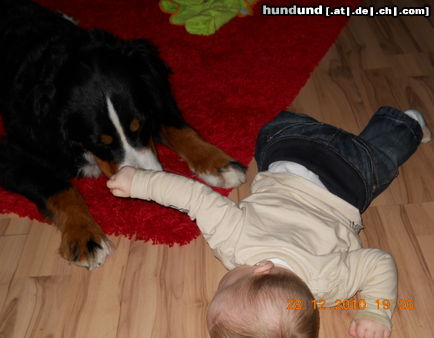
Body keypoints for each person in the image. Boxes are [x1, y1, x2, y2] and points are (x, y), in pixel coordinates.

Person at [107, 106, 431, 338]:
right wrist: (139, 181)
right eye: (227, 283)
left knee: (385, 154)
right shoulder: (234, 241)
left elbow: (378, 262)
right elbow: (193, 196)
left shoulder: (330, 286)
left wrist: (375, 310)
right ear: (261, 267)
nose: (223, 276)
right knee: (273, 131)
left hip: (353, 175)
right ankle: (296, 118)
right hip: (290, 145)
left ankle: (408, 123)